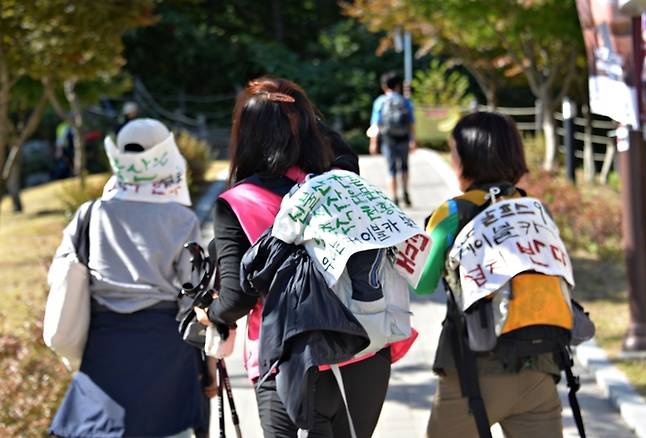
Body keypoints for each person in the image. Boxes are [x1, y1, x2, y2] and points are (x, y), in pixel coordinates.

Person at [194, 77, 394, 438]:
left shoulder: (238, 203)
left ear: (247, 135)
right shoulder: (344, 183)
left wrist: (211, 313)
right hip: (364, 351)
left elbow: (238, 297)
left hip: (290, 361)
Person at [49, 118, 209, 438]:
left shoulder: (91, 213)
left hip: (105, 344)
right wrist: (207, 365)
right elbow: (195, 296)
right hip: (167, 345)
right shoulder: (182, 218)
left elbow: (59, 274)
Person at [415, 111, 564, 438]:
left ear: (465, 159)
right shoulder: (534, 209)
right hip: (540, 366)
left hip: (472, 373)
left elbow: (423, 283)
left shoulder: (452, 212)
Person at [368, 71, 416, 206]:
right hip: (404, 138)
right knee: (404, 166)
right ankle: (405, 191)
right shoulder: (405, 101)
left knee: (391, 168)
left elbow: (375, 124)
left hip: (388, 138)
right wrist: (413, 140)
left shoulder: (380, 102)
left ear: (384, 86)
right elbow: (412, 122)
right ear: (398, 86)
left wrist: (373, 142)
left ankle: (394, 196)